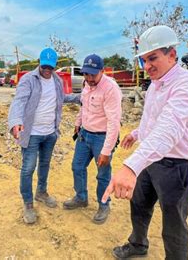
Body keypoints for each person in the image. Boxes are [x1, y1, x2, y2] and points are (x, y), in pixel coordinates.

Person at [101, 25, 188, 259]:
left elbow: (169, 128)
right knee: (139, 206)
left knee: (174, 223)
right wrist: (137, 133)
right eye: (143, 60)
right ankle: (138, 245)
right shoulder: (156, 85)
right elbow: (154, 120)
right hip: (151, 161)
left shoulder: (187, 84)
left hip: (177, 167)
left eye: (153, 58)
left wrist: (130, 166)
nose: (147, 66)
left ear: (172, 55)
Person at [8, 47, 79, 225]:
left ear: (55, 66)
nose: (47, 70)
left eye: (50, 67)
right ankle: (28, 203)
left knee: (45, 164)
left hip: (50, 132)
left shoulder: (56, 80)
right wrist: (15, 121)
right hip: (31, 133)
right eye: (44, 66)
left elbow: (61, 98)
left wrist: (80, 97)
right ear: (39, 63)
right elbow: (19, 101)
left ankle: (41, 192)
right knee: (28, 168)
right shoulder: (28, 80)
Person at [63, 54, 122, 225]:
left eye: (93, 75)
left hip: (102, 138)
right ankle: (81, 197)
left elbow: (114, 122)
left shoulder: (111, 89)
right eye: (86, 74)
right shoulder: (86, 84)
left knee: (103, 174)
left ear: (102, 71)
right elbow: (84, 106)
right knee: (77, 166)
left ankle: (104, 204)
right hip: (84, 134)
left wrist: (106, 150)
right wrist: (77, 123)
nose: (89, 78)